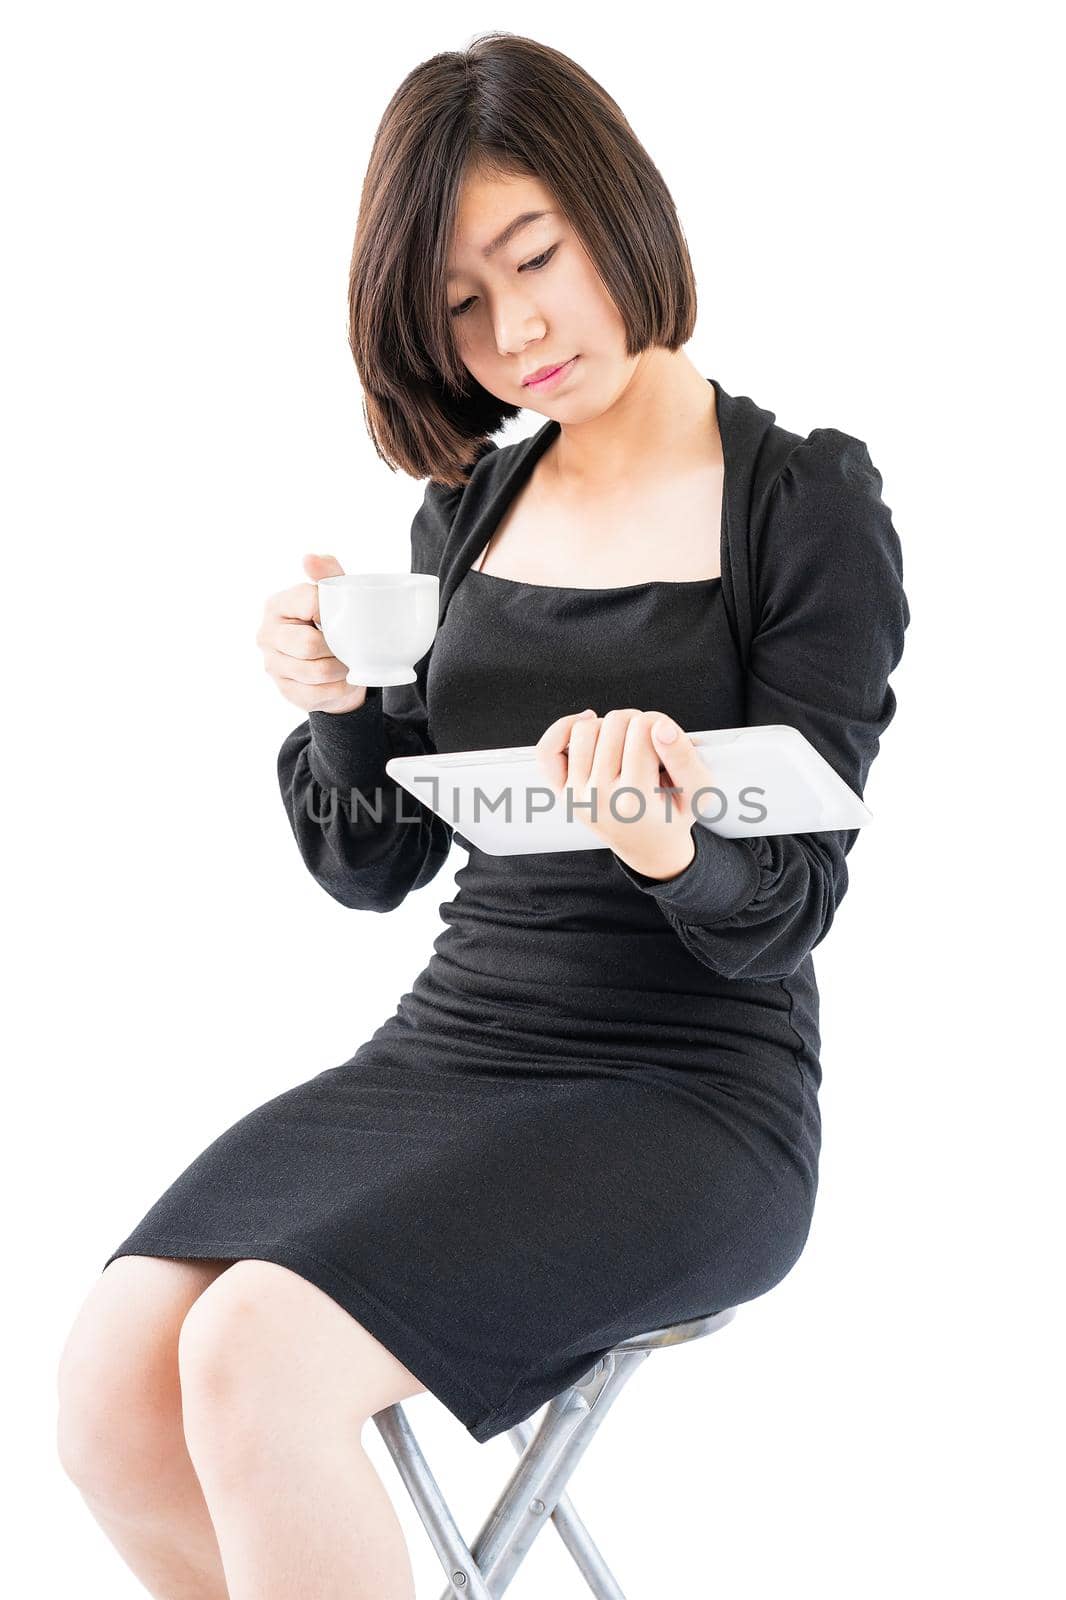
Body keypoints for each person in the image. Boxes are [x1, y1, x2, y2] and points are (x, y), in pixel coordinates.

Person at [56, 32, 909, 1600]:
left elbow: (787, 900)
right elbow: (373, 867)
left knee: (256, 1350)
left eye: (537, 257)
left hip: (691, 1089)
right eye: (461, 304)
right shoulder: (466, 513)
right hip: (455, 1044)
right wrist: (335, 705)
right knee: (112, 1379)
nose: (515, 330)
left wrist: (662, 834)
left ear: (615, 213)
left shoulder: (800, 504)